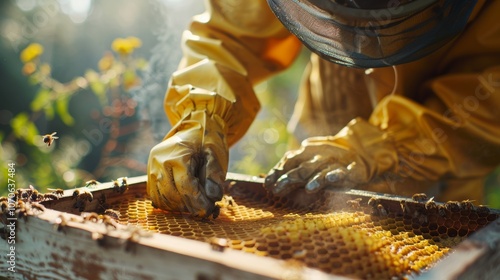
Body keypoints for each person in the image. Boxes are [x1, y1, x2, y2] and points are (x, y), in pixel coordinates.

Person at [147, 0, 500, 218]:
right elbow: (229, 36)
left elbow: (487, 106)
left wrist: (381, 148)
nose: (358, 38)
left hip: (436, 183)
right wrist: (202, 115)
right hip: (318, 140)